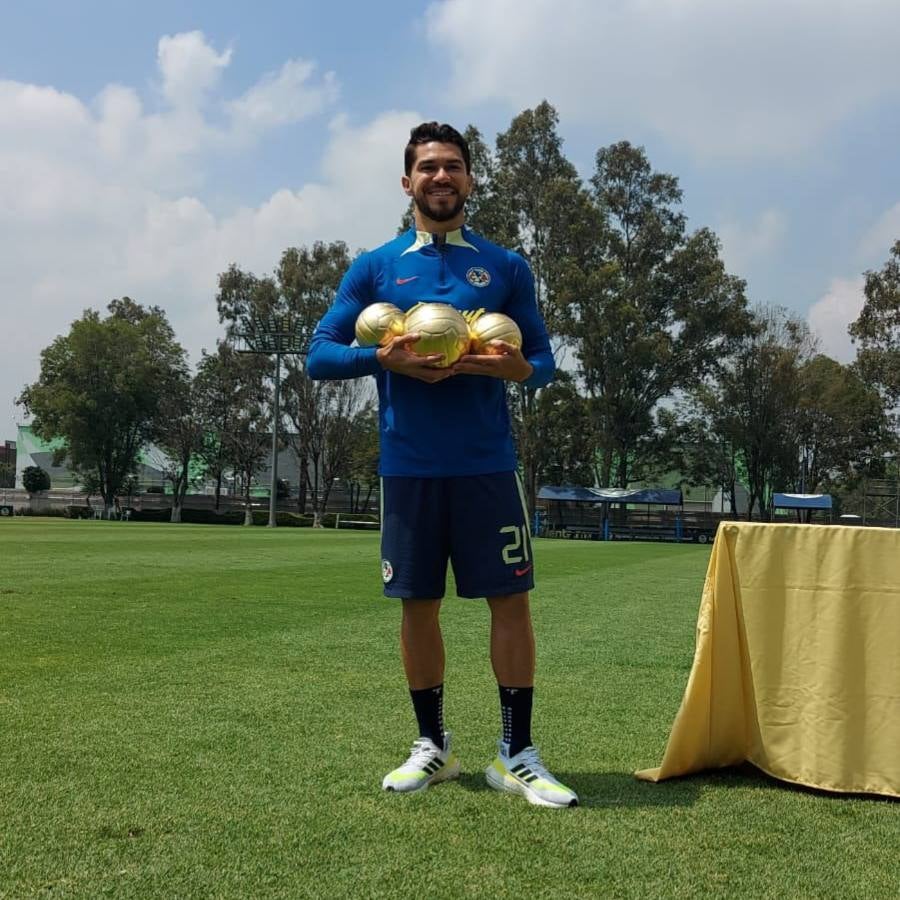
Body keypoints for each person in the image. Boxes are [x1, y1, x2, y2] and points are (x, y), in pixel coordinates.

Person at [306, 122, 578, 808]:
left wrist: (515, 367)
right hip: (409, 467)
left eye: (453, 166)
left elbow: (541, 362)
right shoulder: (375, 267)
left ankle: (516, 754)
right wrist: (381, 357)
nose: (441, 177)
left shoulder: (506, 267)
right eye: (427, 167)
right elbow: (319, 355)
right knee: (417, 607)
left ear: (470, 180)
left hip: (486, 464)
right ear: (407, 183)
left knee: (510, 604)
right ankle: (434, 747)